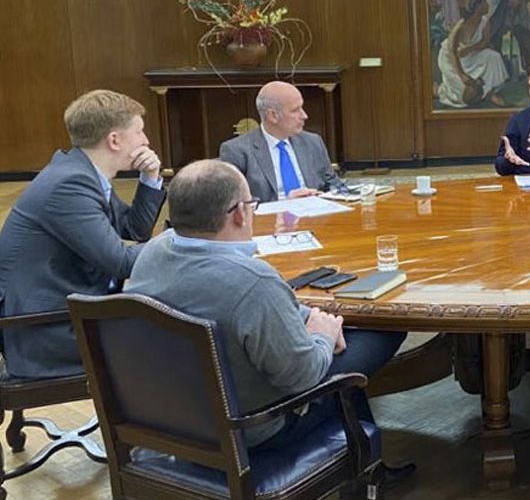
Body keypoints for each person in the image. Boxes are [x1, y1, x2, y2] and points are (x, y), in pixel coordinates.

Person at [126, 160, 407, 451]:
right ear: (239, 213)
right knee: (382, 329)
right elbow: (303, 376)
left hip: (174, 418)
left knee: (336, 339)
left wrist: (311, 320)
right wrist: (322, 335)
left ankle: (364, 458)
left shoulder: (152, 253)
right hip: (254, 430)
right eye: (252, 203)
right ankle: (363, 464)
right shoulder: (253, 281)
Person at [0, 89, 165, 378]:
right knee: (181, 337)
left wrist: (150, 180)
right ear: (114, 140)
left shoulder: (80, 172)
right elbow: (120, 262)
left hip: (68, 310)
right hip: (47, 332)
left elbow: (134, 229)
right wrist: (181, 243)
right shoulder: (70, 184)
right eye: (139, 132)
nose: (146, 141)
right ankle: (151, 422)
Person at [219, 81, 343, 201]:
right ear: (272, 115)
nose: (304, 115)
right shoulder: (237, 151)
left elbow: (334, 185)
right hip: (269, 220)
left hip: (316, 217)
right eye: (295, 110)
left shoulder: (313, 142)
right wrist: (284, 202)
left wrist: (323, 196)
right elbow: (235, 203)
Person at [436, 0, 509, 108]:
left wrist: (469, 49)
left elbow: (485, 42)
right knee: (464, 97)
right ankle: (438, 90)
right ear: (477, 6)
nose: (488, 5)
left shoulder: (485, 21)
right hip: (451, 60)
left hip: (471, 56)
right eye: (485, 2)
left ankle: (489, 93)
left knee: (493, 56)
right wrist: (462, 75)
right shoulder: (461, 24)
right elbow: (452, 52)